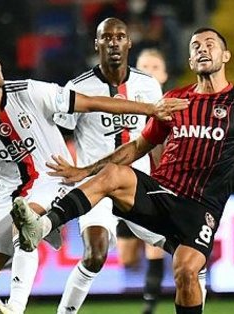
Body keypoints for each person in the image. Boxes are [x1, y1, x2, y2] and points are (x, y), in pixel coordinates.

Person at [11, 27, 234, 314]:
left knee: (185, 272)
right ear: (189, 62)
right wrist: (85, 170)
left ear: (226, 55)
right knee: (113, 175)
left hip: (200, 210)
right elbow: (138, 147)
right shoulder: (175, 99)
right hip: (160, 194)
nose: (202, 48)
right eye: (195, 46)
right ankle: (41, 227)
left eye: (209, 43)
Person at [0, 35, 186, 314]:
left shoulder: (30, 91)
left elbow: (93, 102)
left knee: (25, 222)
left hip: (54, 178)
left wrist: (149, 109)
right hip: (9, 194)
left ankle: (16, 307)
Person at [52, 19, 193, 314]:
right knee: (95, 255)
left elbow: (156, 137)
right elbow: (60, 135)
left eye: (120, 37)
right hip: (96, 186)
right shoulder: (77, 88)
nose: (113, 42)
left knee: (189, 248)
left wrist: (167, 177)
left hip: (138, 186)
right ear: (97, 44)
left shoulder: (148, 85)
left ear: (129, 43)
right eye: (106, 37)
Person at [115, 48, 207, 314]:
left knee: (155, 248)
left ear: (165, 74)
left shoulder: (178, 107)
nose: (148, 72)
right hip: (123, 184)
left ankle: (150, 308)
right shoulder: (124, 106)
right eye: (143, 66)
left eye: (155, 67)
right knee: (126, 258)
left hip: (160, 187)